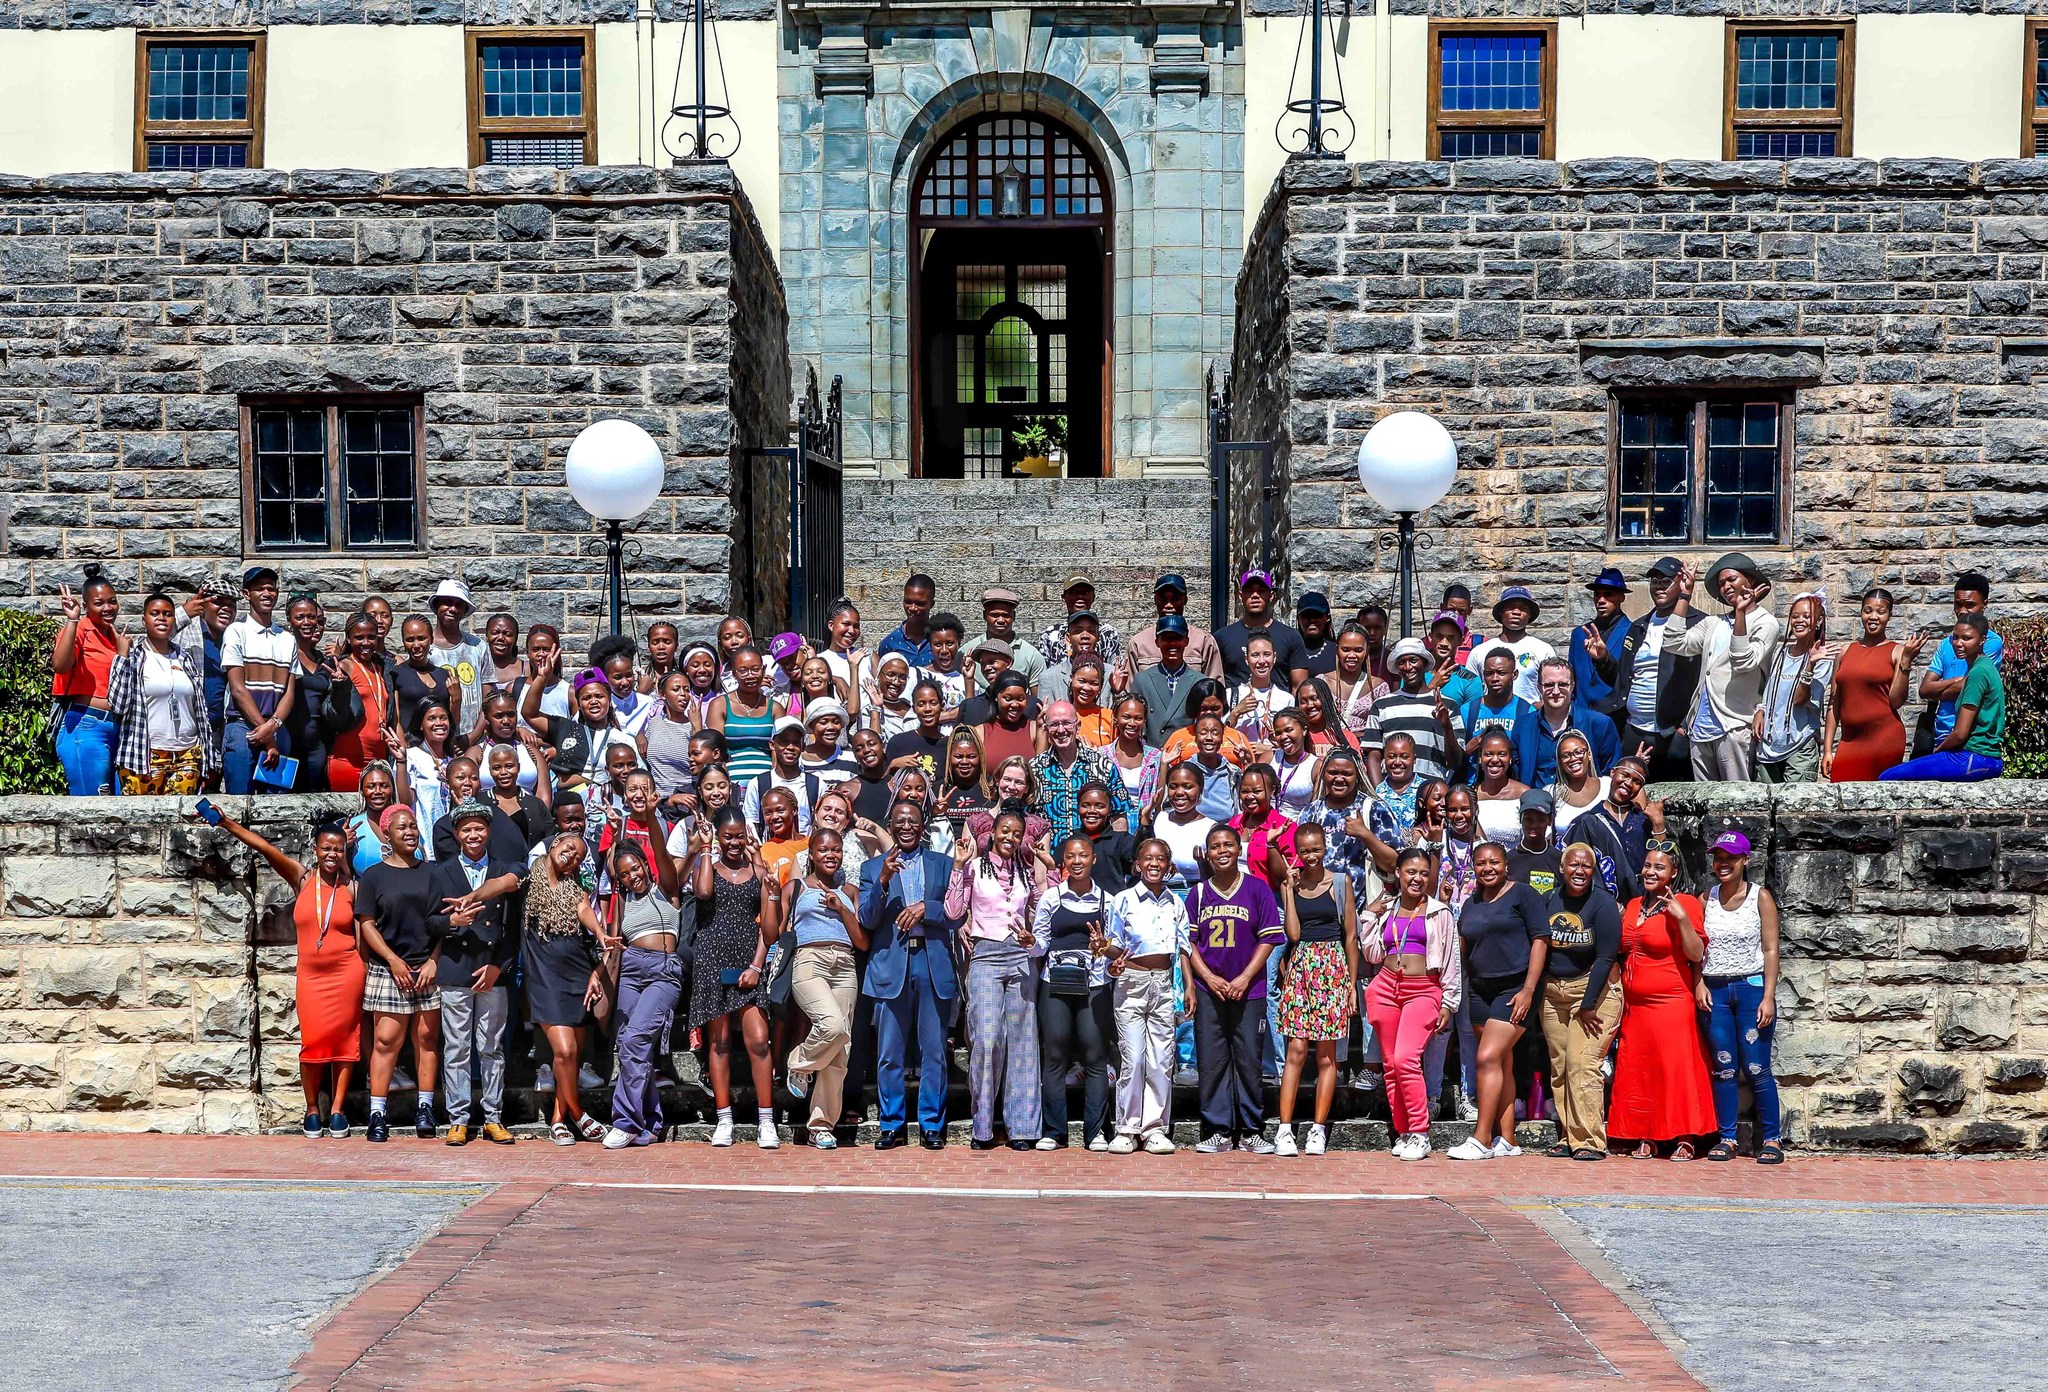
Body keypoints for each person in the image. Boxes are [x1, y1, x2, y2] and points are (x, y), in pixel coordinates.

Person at [205, 808, 361, 1139]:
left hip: (347, 973)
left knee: (346, 1042)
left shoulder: (352, 888)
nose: (331, 854)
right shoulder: (304, 878)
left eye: (338, 849)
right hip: (312, 976)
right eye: (326, 848)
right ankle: (311, 1108)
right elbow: (264, 847)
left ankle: (337, 1110)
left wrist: (347, 867)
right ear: (315, 849)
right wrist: (225, 822)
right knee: (314, 1041)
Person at [861, 799, 960, 1149]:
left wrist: (926, 909)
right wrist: (884, 881)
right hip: (892, 965)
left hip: (931, 963)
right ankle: (892, 1124)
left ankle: (932, 1124)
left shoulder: (944, 865)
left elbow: (957, 913)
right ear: (891, 825)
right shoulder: (872, 867)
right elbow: (867, 919)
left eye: (913, 821)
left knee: (934, 1051)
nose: (906, 826)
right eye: (900, 821)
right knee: (890, 1053)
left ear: (923, 826)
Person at [427, 801, 526, 1147]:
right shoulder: (440, 872)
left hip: (492, 970)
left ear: (489, 831)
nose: (473, 834)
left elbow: (513, 928)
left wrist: (499, 965)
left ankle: (493, 1117)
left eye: (479, 828)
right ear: (456, 834)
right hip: (455, 970)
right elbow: (430, 921)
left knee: (491, 1046)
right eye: (466, 829)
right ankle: (458, 1119)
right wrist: (452, 923)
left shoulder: (504, 869)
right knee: (456, 1047)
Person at [946, 808, 1045, 1150]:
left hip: (1019, 957)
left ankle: (1021, 1128)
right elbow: (953, 911)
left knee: (1022, 1042)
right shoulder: (974, 866)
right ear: (993, 832)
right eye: (1005, 830)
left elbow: (1042, 907)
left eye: (1017, 833)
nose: (1010, 837)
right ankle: (983, 1125)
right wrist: (958, 866)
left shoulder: (1025, 871)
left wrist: (1049, 867)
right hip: (986, 955)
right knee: (987, 1039)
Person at [1609, 847, 1717, 1159]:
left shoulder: (1684, 903)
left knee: (1676, 1068)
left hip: (1671, 1000)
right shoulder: (1632, 905)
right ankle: (1647, 1134)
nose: (1651, 872)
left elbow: (1696, 954)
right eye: (1647, 866)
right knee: (1642, 1069)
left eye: (1660, 867)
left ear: (1673, 873)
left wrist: (1682, 920)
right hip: (1636, 1005)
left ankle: (1684, 1136)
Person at [1445, 842, 1549, 1161]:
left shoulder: (1523, 894)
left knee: (1487, 1058)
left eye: (1494, 862)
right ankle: (1507, 1139)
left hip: (1515, 987)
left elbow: (1540, 940)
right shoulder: (1472, 902)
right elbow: (1463, 945)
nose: (1487, 868)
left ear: (1506, 864)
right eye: (1480, 863)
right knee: (1501, 1061)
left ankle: (1481, 1138)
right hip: (1480, 988)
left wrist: (1529, 989)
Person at [1184, 824, 1284, 1153]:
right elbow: (1189, 944)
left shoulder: (1257, 890)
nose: (1223, 850)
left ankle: (1252, 1130)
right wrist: (1208, 979)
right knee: (1212, 1061)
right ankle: (1217, 1129)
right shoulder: (1198, 893)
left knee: (1248, 1060)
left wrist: (1244, 978)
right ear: (1207, 853)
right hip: (1210, 990)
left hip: (1249, 990)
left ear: (1238, 850)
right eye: (1215, 846)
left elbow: (1269, 939)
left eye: (1228, 844)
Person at [686, 804, 781, 1147]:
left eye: (739, 836)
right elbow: (704, 893)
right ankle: (723, 1118)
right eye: (728, 836)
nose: (734, 842)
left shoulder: (758, 870)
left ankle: (766, 1121)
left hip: (747, 961)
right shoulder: (706, 865)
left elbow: (769, 931)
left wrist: (757, 966)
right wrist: (707, 846)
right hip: (712, 961)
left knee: (758, 1039)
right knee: (720, 1042)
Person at [1360, 846, 1461, 1161]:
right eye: (1411, 872)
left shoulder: (1439, 912)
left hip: (1423, 989)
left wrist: (1449, 1002)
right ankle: (1403, 1131)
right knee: (1390, 1065)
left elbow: (1451, 959)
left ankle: (1420, 1132)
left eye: (1423, 873)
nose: (1417, 878)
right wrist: (1368, 916)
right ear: (1398, 874)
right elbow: (1373, 955)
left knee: (1406, 1058)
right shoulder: (1387, 910)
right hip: (1387, 987)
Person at [353, 805, 442, 1143]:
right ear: (387, 833)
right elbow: (366, 924)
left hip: (426, 970)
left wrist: (434, 959)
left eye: (413, 826)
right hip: (388, 969)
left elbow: (440, 923)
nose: (409, 832)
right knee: (386, 1041)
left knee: (427, 1039)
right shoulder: (374, 875)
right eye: (402, 827)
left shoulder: (432, 873)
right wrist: (392, 960)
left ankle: (425, 1108)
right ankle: (378, 1112)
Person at [1273, 821, 1358, 1158]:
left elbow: (1350, 936)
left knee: (1326, 1054)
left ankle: (1318, 1129)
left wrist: (1352, 985)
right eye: (1304, 850)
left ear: (1325, 848)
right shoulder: (1292, 885)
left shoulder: (1340, 882)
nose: (1310, 856)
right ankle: (1284, 1128)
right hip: (1301, 966)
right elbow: (1293, 935)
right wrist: (1287, 894)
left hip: (1333, 967)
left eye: (1316, 849)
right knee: (1295, 1049)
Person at [782, 826, 870, 1149]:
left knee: (840, 1052)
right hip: (810, 960)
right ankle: (799, 1063)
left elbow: (861, 940)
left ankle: (821, 1125)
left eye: (836, 850)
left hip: (845, 963)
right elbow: (779, 930)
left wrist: (841, 907)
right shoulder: (797, 886)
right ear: (812, 855)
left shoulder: (849, 889)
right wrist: (774, 894)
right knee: (832, 1025)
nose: (830, 855)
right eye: (823, 850)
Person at [523, 830, 613, 1145]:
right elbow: (500, 884)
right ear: (556, 842)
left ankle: (558, 1120)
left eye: (578, 857)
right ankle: (579, 1114)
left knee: (572, 1056)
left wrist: (601, 936)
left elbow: (585, 914)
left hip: (577, 977)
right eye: (570, 848)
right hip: (545, 979)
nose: (572, 856)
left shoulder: (575, 891)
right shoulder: (527, 881)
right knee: (563, 1050)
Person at [1699, 832, 1783, 1164]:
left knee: (1757, 1065)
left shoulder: (1760, 897)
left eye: (1730, 857)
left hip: (1750, 988)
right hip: (1716, 989)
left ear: (1745, 860)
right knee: (1723, 1067)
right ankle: (1727, 1136)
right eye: (1718, 857)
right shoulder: (1707, 897)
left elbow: (1771, 948)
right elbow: (1697, 947)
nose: (1723, 863)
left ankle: (1772, 1138)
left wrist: (1769, 995)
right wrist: (1698, 983)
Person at [1103, 839, 1188, 1154]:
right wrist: (1107, 951)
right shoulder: (1123, 900)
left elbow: (1183, 949)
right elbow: (1112, 945)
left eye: (1161, 858)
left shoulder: (1175, 903)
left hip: (1163, 984)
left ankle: (1154, 1128)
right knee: (1134, 1057)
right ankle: (1126, 1128)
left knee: (1160, 1060)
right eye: (1148, 858)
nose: (1154, 863)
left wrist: (1188, 987)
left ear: (1168, 865)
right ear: (1137, 864)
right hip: (1132, 984)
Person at [1540, 842, 1624, 1161]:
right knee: (1560, 1066)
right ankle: (1568, 1135)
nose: (1579, 870)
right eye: (1573, 865)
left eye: (1586, 866)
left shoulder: (1602, 904)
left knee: (1582, 1063)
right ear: (1562, 869)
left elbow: (1605, 957)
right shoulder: (1549, 899)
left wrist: (1588, 1004)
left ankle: (1590, 1140)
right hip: (1553, 994)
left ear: (1593, 871)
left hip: (1594, 992)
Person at [1031, 835, 1115, 1150]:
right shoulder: (1051, 898)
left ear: (1093, 859)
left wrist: (1102, 946)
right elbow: (1040, 944)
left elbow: (1115, 946)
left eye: (1083, 855)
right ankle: (1055, 1131)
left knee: (1095, 1058)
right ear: (1063, 861)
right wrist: (1030, 943)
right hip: (1055, 983)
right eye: (1070, 856)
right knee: (1054, 1057)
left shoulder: (1108, 900)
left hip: (1094, 985)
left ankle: (1095, 1133)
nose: (1077, 861)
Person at [1669, 553, 1782, 781]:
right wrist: (1684, 595)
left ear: (1749, 581)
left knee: (1736, 801)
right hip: (1701, 726)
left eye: (1731, 579)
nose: (1726, 586)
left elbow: (1744, 662)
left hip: (1734, 725)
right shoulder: (1714, 622)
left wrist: (1741, 613)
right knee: (1704, 801)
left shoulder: (1765, 622)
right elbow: (1674, 642)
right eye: (1721, 583)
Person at [1588, 557, 1701, 784]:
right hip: (1635, 730)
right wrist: (1602, 659)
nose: (1659, 586)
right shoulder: (1639, 626)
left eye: (1666, 581)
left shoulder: (1699, 623)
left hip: (1673, 734)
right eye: (1655, 581)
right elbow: (1623, 679)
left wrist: (1685, 727)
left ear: (1682, 583)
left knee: (1677, 801)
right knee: (1634, 797)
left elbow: (1706, 681)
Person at [108, 590, 214, 795]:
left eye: (167, 614)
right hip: (145, 754)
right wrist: (121, 657)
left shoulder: (184, 658)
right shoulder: (134, 657)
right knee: (141, 820)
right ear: (144, 619)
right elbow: (118, 705)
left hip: (186, 753)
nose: (161, 618)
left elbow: (199, 708)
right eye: (154, 613)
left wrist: (207, 754)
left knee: (182, 821)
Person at [1882, 613, 2005, 781]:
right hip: (1982, 758)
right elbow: (1925, 690)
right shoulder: (1983, 667)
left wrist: (1937, 752)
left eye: (1967, 638)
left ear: (1982, 640)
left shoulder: (1978, 673)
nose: (1958, 644)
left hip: (1975, 757)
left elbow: (1960, 734)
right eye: (1956, 637)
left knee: (1889, 776)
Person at [1823, 587, 1926, 782]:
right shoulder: (1844, 651)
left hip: (1884, 741)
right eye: (1868, 610)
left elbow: (1896, 701)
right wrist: (1828, 750)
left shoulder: (1897, 652)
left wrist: (1906, 662)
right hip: (1850, 742)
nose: (1873, 616)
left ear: (1889, 616)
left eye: (1881, 611)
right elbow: (1833, 704)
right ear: (1861, 613)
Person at [220, 566, 301, 796]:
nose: (267, 594)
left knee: (278, 808)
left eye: (271, 589)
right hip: (242, 728)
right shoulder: (236, 631)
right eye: (259, 589)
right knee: (239, 804)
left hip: (276, 728)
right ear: (247, 594)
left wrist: (272, 727)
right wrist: (265, 735)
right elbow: (238, 689)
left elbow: (289, 693)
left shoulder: (287, 639)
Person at [1919, 571, 2004, 754]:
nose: (1963, 610)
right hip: (1942, 731)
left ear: (1984, 605)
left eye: (1970, 605)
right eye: (1958, 604)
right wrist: (1955, 682)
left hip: (1970, 734)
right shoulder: (1946, 644)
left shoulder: (1990, 642)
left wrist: (1938, 689)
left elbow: (1972, 685)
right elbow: (1925, 690)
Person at [1755, 592, 1834, 784]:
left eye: (1806, 616)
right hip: (1769, 744)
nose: (1799, 621)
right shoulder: (1779, 654)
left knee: (1794, 811)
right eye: (1795, 616)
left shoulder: (1823, 659)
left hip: (1799, 745)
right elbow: (1768, 690)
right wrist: (1760, 710)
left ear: (1819, 620)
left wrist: (1810, 665)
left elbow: (1799, 699)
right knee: (1763, 809)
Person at [1564, 755, 1664, 907]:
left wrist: (1658, 823)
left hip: (1643, 901)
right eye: (1625, 775)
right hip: (1603, 904)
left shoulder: (1644, 820)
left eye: (1637, 782)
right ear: (1612, 773)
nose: (1629, 783)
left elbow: (1661, 860)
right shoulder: (1588, 821)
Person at [1031, 701, 1133, 841]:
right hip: (1050, 858)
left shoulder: (1103, 766)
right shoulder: (1036, 768)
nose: (1061, 730)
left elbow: (1119, 816)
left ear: (1078, 726)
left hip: (1094, 857)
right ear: (1047, 729)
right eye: (1054, 724)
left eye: (1067, 723)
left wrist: (1116, 854)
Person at [1363, 638, 1454, 786]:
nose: (1407, 667)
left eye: (1413, 660)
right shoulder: (1381, 705)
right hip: (1391, 795)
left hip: (1432, 795)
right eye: (1401, 662)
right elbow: (1373, 755)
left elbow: (1456, 761)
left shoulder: (1447, 705)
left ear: (1424, 663)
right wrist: (1380, 794)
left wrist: (1446, 726)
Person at [1512, 659, 1620, 785]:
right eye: (1549, 685)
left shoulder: (1600, 724)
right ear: (1539, 688)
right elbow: (1516, 773)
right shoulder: (1522, 726)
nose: (1556, 691)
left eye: (1562, 684)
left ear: (1572, 686)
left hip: (1583, 801)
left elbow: (1611, 773)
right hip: (1536, 800)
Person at [327, 614, 397, 794]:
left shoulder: (383, 668)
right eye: (359, 637)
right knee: (347, 820)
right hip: (348, 762)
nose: (366, 642)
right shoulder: (344, 666)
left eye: (371, 637)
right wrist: (340, 686)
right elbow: (334, 711)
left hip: (378, 763)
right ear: (349, 639)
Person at [1116, 574, 1222, 687]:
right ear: (1155, 600)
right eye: (1163, 599)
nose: (1169, 605)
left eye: (1175, 599)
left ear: (1185, 600)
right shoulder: (1138, 643)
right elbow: (1131, 691)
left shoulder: (1204, 641)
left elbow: (1215, 689)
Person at [282, 593, 338, 792]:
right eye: (300, 617)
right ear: (289, 621)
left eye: (312, 617)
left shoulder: (324, 661)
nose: (307, 622)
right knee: (280, 805)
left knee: (315, 803)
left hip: (316, 747)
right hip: (285, 745)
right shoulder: (282, 653)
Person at [1215, 569, 1308, 688]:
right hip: (1237, 705)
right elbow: (1215, 685)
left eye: (1261, 591)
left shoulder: (1291, 637)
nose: (1255, 596)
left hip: (1279, 705)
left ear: (1271, 596)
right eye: (1249, 591)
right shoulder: (1222, 637)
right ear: (1240, 596)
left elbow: (1299, 687)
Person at [174, 574, 238, 746]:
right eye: (218, 602)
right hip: (185, 733)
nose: (226, 609)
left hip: (219, 734)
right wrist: (183, 614)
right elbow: (147, 645)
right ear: (202, 604)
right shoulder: (184, 632)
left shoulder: (234, 638)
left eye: (231, 604)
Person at [1464, 586, 1556, 706]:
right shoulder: (1480, 651)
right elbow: (1470, 691)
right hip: (1490, 721)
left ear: (1529, 614)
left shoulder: (1543, 650)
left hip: (1530, 721)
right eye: (1510, 607)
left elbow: (1554, 687)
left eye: (1523, 609)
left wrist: (1533, 709)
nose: (1516, 612)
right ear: (1501, 612)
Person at [428, 579, 490, 742]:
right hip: (437, 741)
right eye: (447, 603)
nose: (452, 609)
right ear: (437, 606)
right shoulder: (424, 648)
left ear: (464, 610)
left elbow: (488, 699)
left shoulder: (478, 646)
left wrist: (472, 736)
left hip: (475, 741)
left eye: (459, 605)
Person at [708, 646, 779, 783]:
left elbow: (778, 752)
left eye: (755, 669)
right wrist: (725, 785)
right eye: (743, 671)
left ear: (763, 670)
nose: (750, 675)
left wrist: (773, 784)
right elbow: (715, 752)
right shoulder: (720, 705)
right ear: (734, 673)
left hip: (766, 784)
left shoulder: (775, 708)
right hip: (732, 783)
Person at [1131, 615, 1201, 748]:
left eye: (1177, 638)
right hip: (1153, 756)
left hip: (1187, 756)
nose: (1172, 644)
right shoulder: (1142, 680)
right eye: (1166, 639)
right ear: (1157, 642)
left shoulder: (1199, 681)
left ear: (1186, 641)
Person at [1461, 649, 1532, 780]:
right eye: (1489, 673)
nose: (1494, 678)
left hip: (1512, 788)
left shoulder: (1528, 712)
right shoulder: (1467, 711)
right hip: (1473, 789)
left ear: (1514, 674)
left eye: (1501, 673)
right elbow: (1452, 759)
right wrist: (1467, 750)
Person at [1570, 568, 1632, 709]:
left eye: (1608, 595)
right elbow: (1572, 678)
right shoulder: (1579, 634)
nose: (1601, 600)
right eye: (1597, 595)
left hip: (1615, 715)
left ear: (1621, 597)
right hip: (1581, 714)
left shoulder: (1633, 632)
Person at [1039, 575, 1125, 670]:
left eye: (1085, 592)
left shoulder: (1108, 633)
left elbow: (1115, 671)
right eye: (1073, 592)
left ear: (1093, 597)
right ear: (1064, 597)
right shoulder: (1050, 635)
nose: (1080, 596)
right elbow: (1044, 675)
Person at [1226, 632, 1295, 743]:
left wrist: (1270, 748)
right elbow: (1221, 736)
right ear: (1246, 659)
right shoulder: (1231, 695)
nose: (1262, 661)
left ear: (1275, 657)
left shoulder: (1286, 699)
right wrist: (1236, 713)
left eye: (1267, 654)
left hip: (1272, 759)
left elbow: (1291, 741)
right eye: (1255, 655)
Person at [1328, 623, 1390, 738]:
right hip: (1328, 750)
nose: (1352, 655)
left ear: (1367, 650)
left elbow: (1385, 728)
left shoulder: (1378, 687)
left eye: (1358, 650)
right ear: (1337, 650)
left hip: (1365, 750)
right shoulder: (1322, 683)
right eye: (1345, 650)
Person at [1105, 695, 1164, 814]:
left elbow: (1159, 799)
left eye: (1138, 718)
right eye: (1126, 717)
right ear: (1115, 718)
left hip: (1145, 824)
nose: (1132, 723)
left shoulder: (1155, 757)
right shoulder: (1102, 755)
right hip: (1112, 825)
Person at [977, 587, 1047, 687]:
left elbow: (1037, 699)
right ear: (984, 616)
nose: (1001, 620)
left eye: (1006, 615)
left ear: (1014, 616)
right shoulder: (969, 652)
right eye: (994, 615)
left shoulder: (1031, 655)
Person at [1471, 732, 1530, 848]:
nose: (1494, 759)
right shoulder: (1471, 795)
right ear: (1480, 758)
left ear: (1510, 759)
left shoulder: (1524, 794)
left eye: (1502, 754)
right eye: (1488, 754)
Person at [975, 670, 1044, 767]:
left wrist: (1042, 730)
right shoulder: (980, 732)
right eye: (1008, 699)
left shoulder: (1034, 729)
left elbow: (1041, 769)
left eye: (1021, 699)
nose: (1015, 704)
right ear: (996, 697)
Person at [1037, 609, 1106, 705]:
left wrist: (1117, 691)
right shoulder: (1049, 678)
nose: (1085, 635)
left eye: (1091, 631)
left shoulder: (1111, 675)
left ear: (1098, 637)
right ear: (1068, 638)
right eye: (1078, 631)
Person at [1549, 731, 1607, 840]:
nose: (1573, 758)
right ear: (1560, 762)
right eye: (1566, 755)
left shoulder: (1608, 786)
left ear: (1589, 754)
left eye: (1579, 752)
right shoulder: (1552, 793)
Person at [877, 573, 938, 665]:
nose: (912, 608)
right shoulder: (890, 644)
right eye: (908, 602)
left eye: (919, 603)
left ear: (931, 604)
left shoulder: (940, 641)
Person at [1294, 591, 1339, 678]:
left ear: (1327, 618)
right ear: (1298, 619)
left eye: (1317, 615)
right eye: (1306, 616)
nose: (1312, 620)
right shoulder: (1290, 650)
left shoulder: (1337, 652)